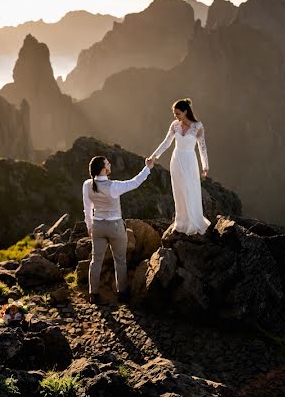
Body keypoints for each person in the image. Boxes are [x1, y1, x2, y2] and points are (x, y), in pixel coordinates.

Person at [82, 155, 155, 304]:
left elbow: (87, 209)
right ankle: (122, 293)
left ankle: (93, 294)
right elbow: (135, 182)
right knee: (120, 261)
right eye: (108, 163)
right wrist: (147, 168)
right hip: (115, 227)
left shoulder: (87, 185)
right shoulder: (114, 186)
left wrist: (89, 227)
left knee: (96, 261)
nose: (110, 164)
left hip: (98, 226)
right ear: (104, 169)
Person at [150, 98, 211, 235]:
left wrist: (205, 166)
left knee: (190, 189)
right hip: (176, 160)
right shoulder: (174, 125)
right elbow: (166, 142)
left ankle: (193, 221)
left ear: (185, 111)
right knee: (179, 191)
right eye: (174, 114)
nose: (175, 116)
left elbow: (202, 147)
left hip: (190, 161)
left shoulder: (198, 126)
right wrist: (153, 156)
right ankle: (182, 221)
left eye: (177, 113)